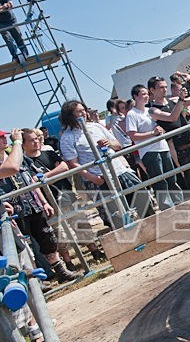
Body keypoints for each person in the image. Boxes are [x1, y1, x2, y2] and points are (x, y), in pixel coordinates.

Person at [0, 128, 81, 283]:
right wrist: (17, 142)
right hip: (14, 210)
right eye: (1, 137)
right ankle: (35, 281)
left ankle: (60, 271)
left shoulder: (16, 156)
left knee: (47, 238)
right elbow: (13, 168)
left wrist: (43, 201)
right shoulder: (14, 157)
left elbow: (30, 180)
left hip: (32, 204)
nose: (5, 139)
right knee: (25, 247)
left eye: (5, 136)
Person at [60, 101, 154, 228]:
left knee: (141, 197)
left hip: (118, 170)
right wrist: (94, 179)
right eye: (79, 111)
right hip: (99, 177)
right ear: (70, 115)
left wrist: (108, 143)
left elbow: (117, 145)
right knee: (116, 213)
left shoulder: (96, 126)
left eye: (84, 110)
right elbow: (74, 164)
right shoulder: (67, 137)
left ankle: (152, 227)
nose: (83, 113)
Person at [21, 128, 105, 265]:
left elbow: (64, 167)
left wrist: (44, 178)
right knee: (59, 234)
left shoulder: (48, 153)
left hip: (66, 194)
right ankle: (68, 262)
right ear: (23, 144)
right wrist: (48, 177)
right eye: (31, 140)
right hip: (48, 202)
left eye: (36, 138)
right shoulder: (24, 164)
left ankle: (95, 251)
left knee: (81, 224)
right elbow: (32, 183)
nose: (36, 141)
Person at [147, 74, 190, 198]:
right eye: (161, 87)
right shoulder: (153, 110)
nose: (164, 89)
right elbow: (171, 117)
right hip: (181, 147)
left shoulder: (173, 100)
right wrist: (181, 100)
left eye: (165, 87)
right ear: (152, 90)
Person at [126, 84, 183, 211]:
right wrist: (152, 133)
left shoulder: (150, 110)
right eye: (143, 94)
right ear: (135, 96)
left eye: (147, 94)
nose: (146, 96)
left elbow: (169, 118)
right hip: (149, 151)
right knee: (160, 181)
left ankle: (179, 204)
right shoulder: (132, 114)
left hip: (163, 147)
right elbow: (132, 135)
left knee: (172, 178)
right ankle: (168, 208)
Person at [0, 0, 29, 64]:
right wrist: (3, 7)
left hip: (11, 20)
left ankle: (25, 54)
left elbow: (10, 4)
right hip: (1, 23)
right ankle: (15, 56)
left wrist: (5, 6)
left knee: (18, 37)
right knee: (8, 39)